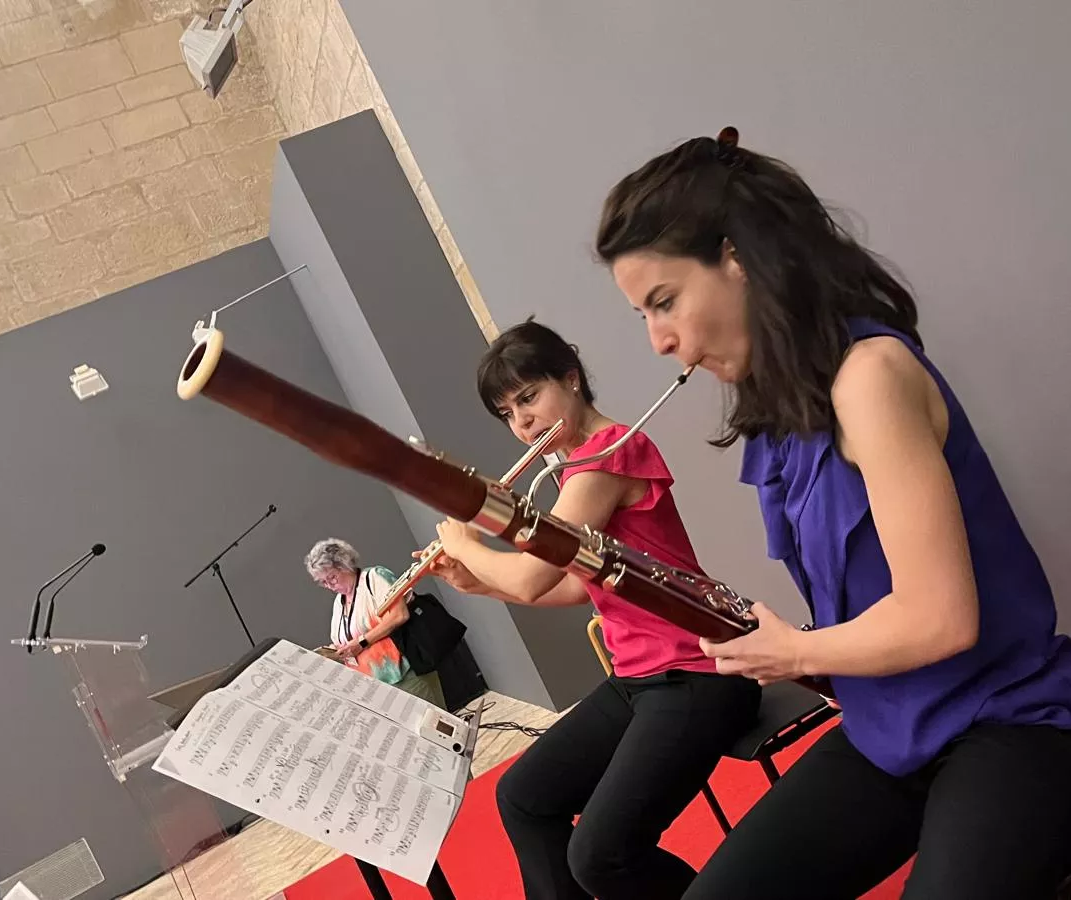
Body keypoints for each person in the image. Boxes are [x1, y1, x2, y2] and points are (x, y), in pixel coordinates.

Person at [593, 127, 1071, 900]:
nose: (662, 340)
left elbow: (941, 620)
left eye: (664, 302)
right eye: (643, 314)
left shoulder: (870, 376)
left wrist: (796, 653)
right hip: (889, 732)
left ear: (738, 259)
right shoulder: (784, 409)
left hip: (1014, 730)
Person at [425, 319, 759, 900]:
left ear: (571, 379)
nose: (522, 422)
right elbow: (580, 589)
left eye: (529, 398)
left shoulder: (607, 458)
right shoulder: (577, 468)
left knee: (601, 857)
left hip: (696, 675)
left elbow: (533, 578)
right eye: (507, 413)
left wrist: (466, 543)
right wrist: (477, 584)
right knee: (524, 797)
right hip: (638, 679)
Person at [304, 538, 448, 709]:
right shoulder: (338, 603)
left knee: (436, 726)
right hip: (376, 689)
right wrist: (334, 651)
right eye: (323, 582)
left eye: (332, 578)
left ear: (344, 564)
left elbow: (399, 615)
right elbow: (348, 638)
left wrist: (362, 642)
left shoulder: (374, 578)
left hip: (405, 673)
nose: (329, 585)